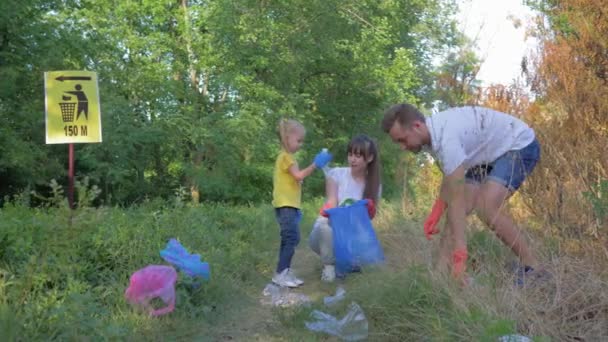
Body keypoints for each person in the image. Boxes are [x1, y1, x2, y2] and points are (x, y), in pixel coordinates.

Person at [381, 104, 541, 284]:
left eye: (402, 140)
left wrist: (460, 255)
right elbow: (450, 180)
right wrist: (437, 211)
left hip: (518, 145)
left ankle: (533, 267)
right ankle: (440, 273)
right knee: (457, 212)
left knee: (485, 207)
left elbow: (455, 200)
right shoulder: (430, 137)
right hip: (485, 155)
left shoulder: (446, 139)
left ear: (417, 126)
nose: (402, 147)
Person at [308, 135, 381, 282]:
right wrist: (329, 210)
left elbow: (365, 223)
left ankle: (347, 263)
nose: (352, 159)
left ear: (370, 158)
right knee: (324, 226)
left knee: (368, 247)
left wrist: (370, 213)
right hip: (326, 235)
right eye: (350, 154)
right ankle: (329, 267)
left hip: (351, 237)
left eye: (358, 156)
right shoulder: (336, 174)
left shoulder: (375, 186)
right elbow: (332, 203)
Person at [272, 118, 332, 288]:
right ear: (286, 138)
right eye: (298, 140)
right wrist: (315, 164)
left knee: (291, 238)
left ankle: (284, 270)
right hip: (286, 205)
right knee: (291, 238)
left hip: (288, 205)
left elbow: (295, 179)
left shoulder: (287, 158)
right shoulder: (286, 158)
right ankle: (281, 274)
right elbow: (298, 176)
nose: (300, 144)